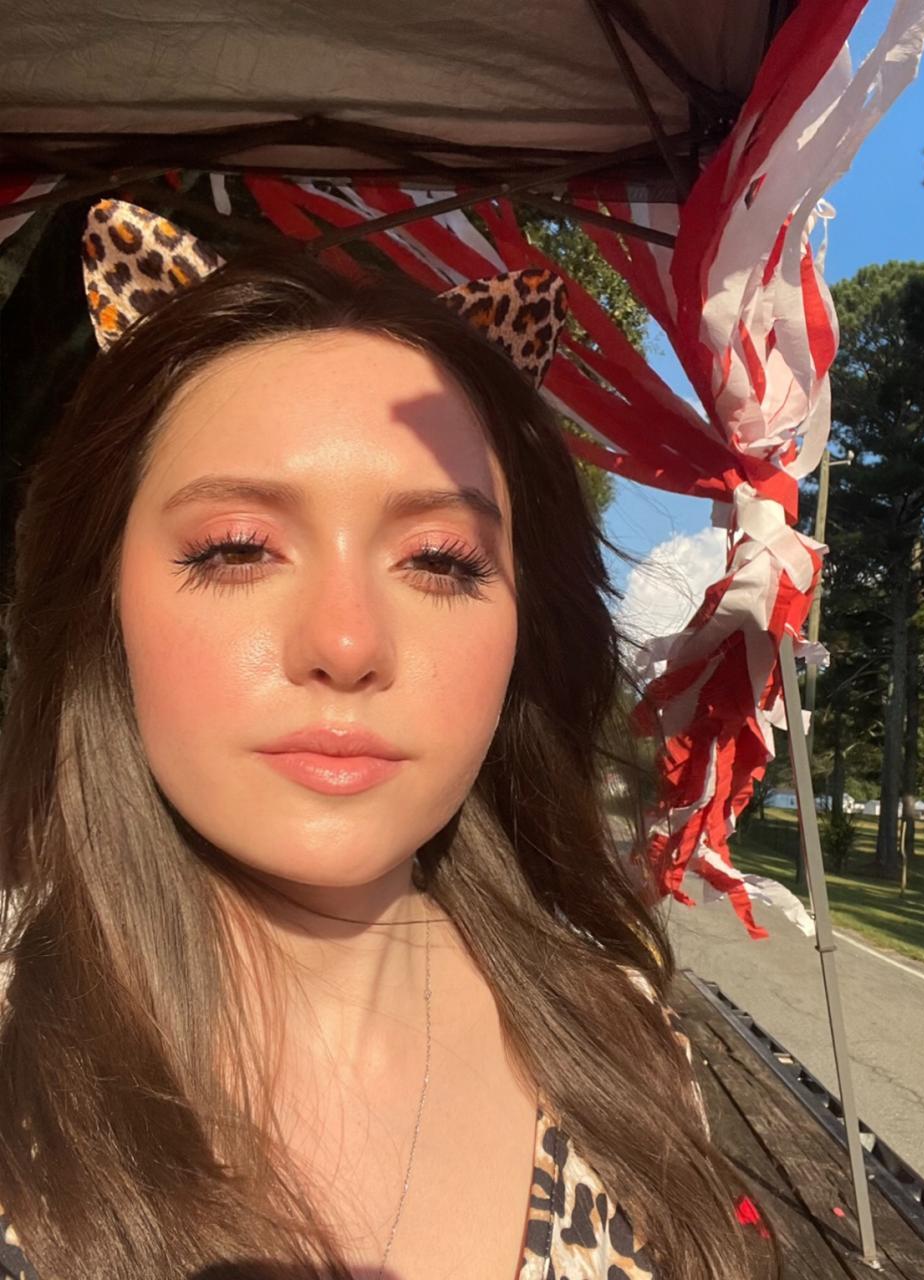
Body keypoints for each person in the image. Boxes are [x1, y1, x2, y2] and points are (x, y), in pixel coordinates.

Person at [0, 201, 773, 1280]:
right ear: (103, 603)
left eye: (441, 561)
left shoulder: (627, 1042)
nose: (348, 643)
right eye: (236, 547)